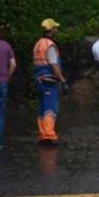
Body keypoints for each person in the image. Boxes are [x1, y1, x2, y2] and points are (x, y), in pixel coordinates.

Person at [33, 18, 67, 146]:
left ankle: (43, 134)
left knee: (42, 108)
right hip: (49, 81)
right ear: (51, 30)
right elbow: (53, 64)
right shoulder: (49, 45)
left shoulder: (38, 44)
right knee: (50, 108)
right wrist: (62, 80)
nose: (56, 30)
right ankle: (49, 135)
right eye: (55, 28)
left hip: (39, 80)